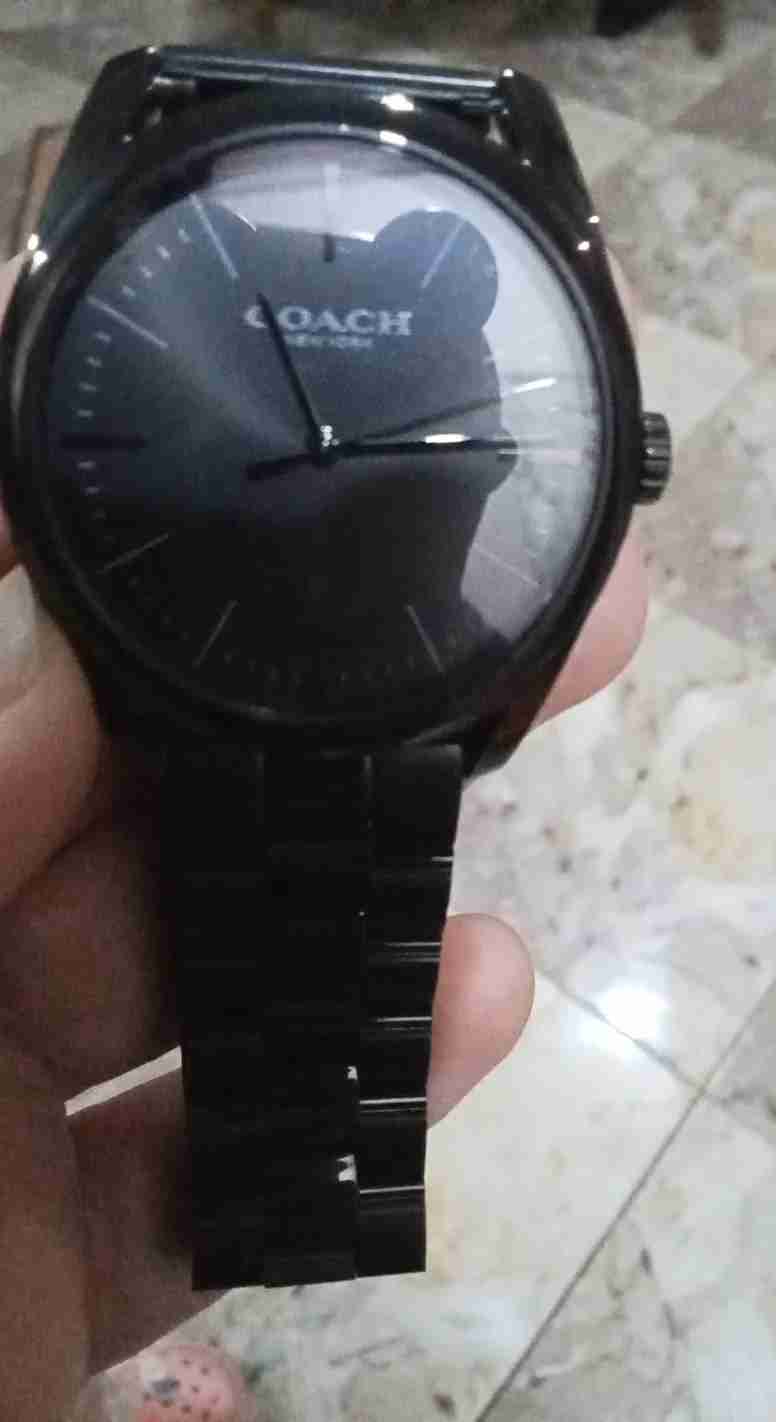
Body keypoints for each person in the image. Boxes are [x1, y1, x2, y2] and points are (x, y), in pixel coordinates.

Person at [0, 252, 649, 1422]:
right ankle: (276, 1207)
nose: (324, 453)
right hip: (276, 672)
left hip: (284, 657)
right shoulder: (446, 330)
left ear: (623, 461)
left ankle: (260, 1221)